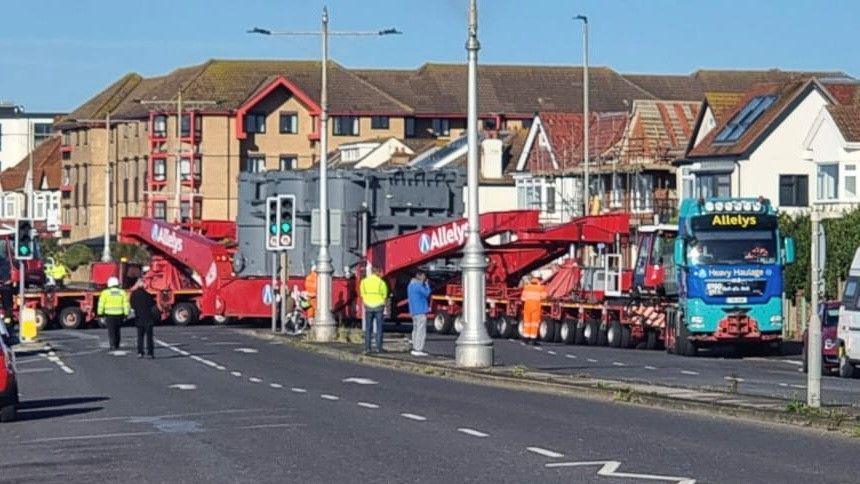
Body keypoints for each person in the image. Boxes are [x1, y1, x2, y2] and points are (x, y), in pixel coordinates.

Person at [359, 265, 388, 354]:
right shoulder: (381, 282)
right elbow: (385, 295)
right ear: (377, 272)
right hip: (379, 306)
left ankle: (367, 348)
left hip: (368, 306)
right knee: (379, 327)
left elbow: (362, 293)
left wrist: (366, 301)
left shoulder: (364, 282)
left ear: (371, 272)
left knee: (368, 328)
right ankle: (379, 348)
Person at [97, 277, 130, 351]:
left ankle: (112, 345)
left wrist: (100, 314)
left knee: (111, 330)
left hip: (109, 315)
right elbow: (126, 304)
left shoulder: (105, 293)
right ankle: (117, 344)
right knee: (117, 330)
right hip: (119, 315)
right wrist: (126, 313)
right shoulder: (122, 292)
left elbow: (101, 304)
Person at [129, 279, 158, 359]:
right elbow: (152, 304)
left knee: (140, 337)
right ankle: (150, 353)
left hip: (139, 318)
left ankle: (140, 352)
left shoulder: (134, 295)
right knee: (149, 337)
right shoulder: (147, 294)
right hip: (148, 318)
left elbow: (132, 305)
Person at [407, 270, 431, 357]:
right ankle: (418, 348)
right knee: (421, 331)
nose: (425, 278)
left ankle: (415, 347)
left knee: (415, 329)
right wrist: (427, 285)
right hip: (421, 310)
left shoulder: (410, 285)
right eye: (424, 276)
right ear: (419, 276)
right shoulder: (418, 285)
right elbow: (427, 293)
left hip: (413, 310)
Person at [520, 275, 547, 345]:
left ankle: (525, 339)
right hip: (536, 307)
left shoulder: (527, 287)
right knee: (534, 324)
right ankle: (533, 340)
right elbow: (545, 296)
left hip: (527, 307)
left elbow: (523, 298)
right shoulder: (540, 288)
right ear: (538, 281)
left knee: (527, 323)